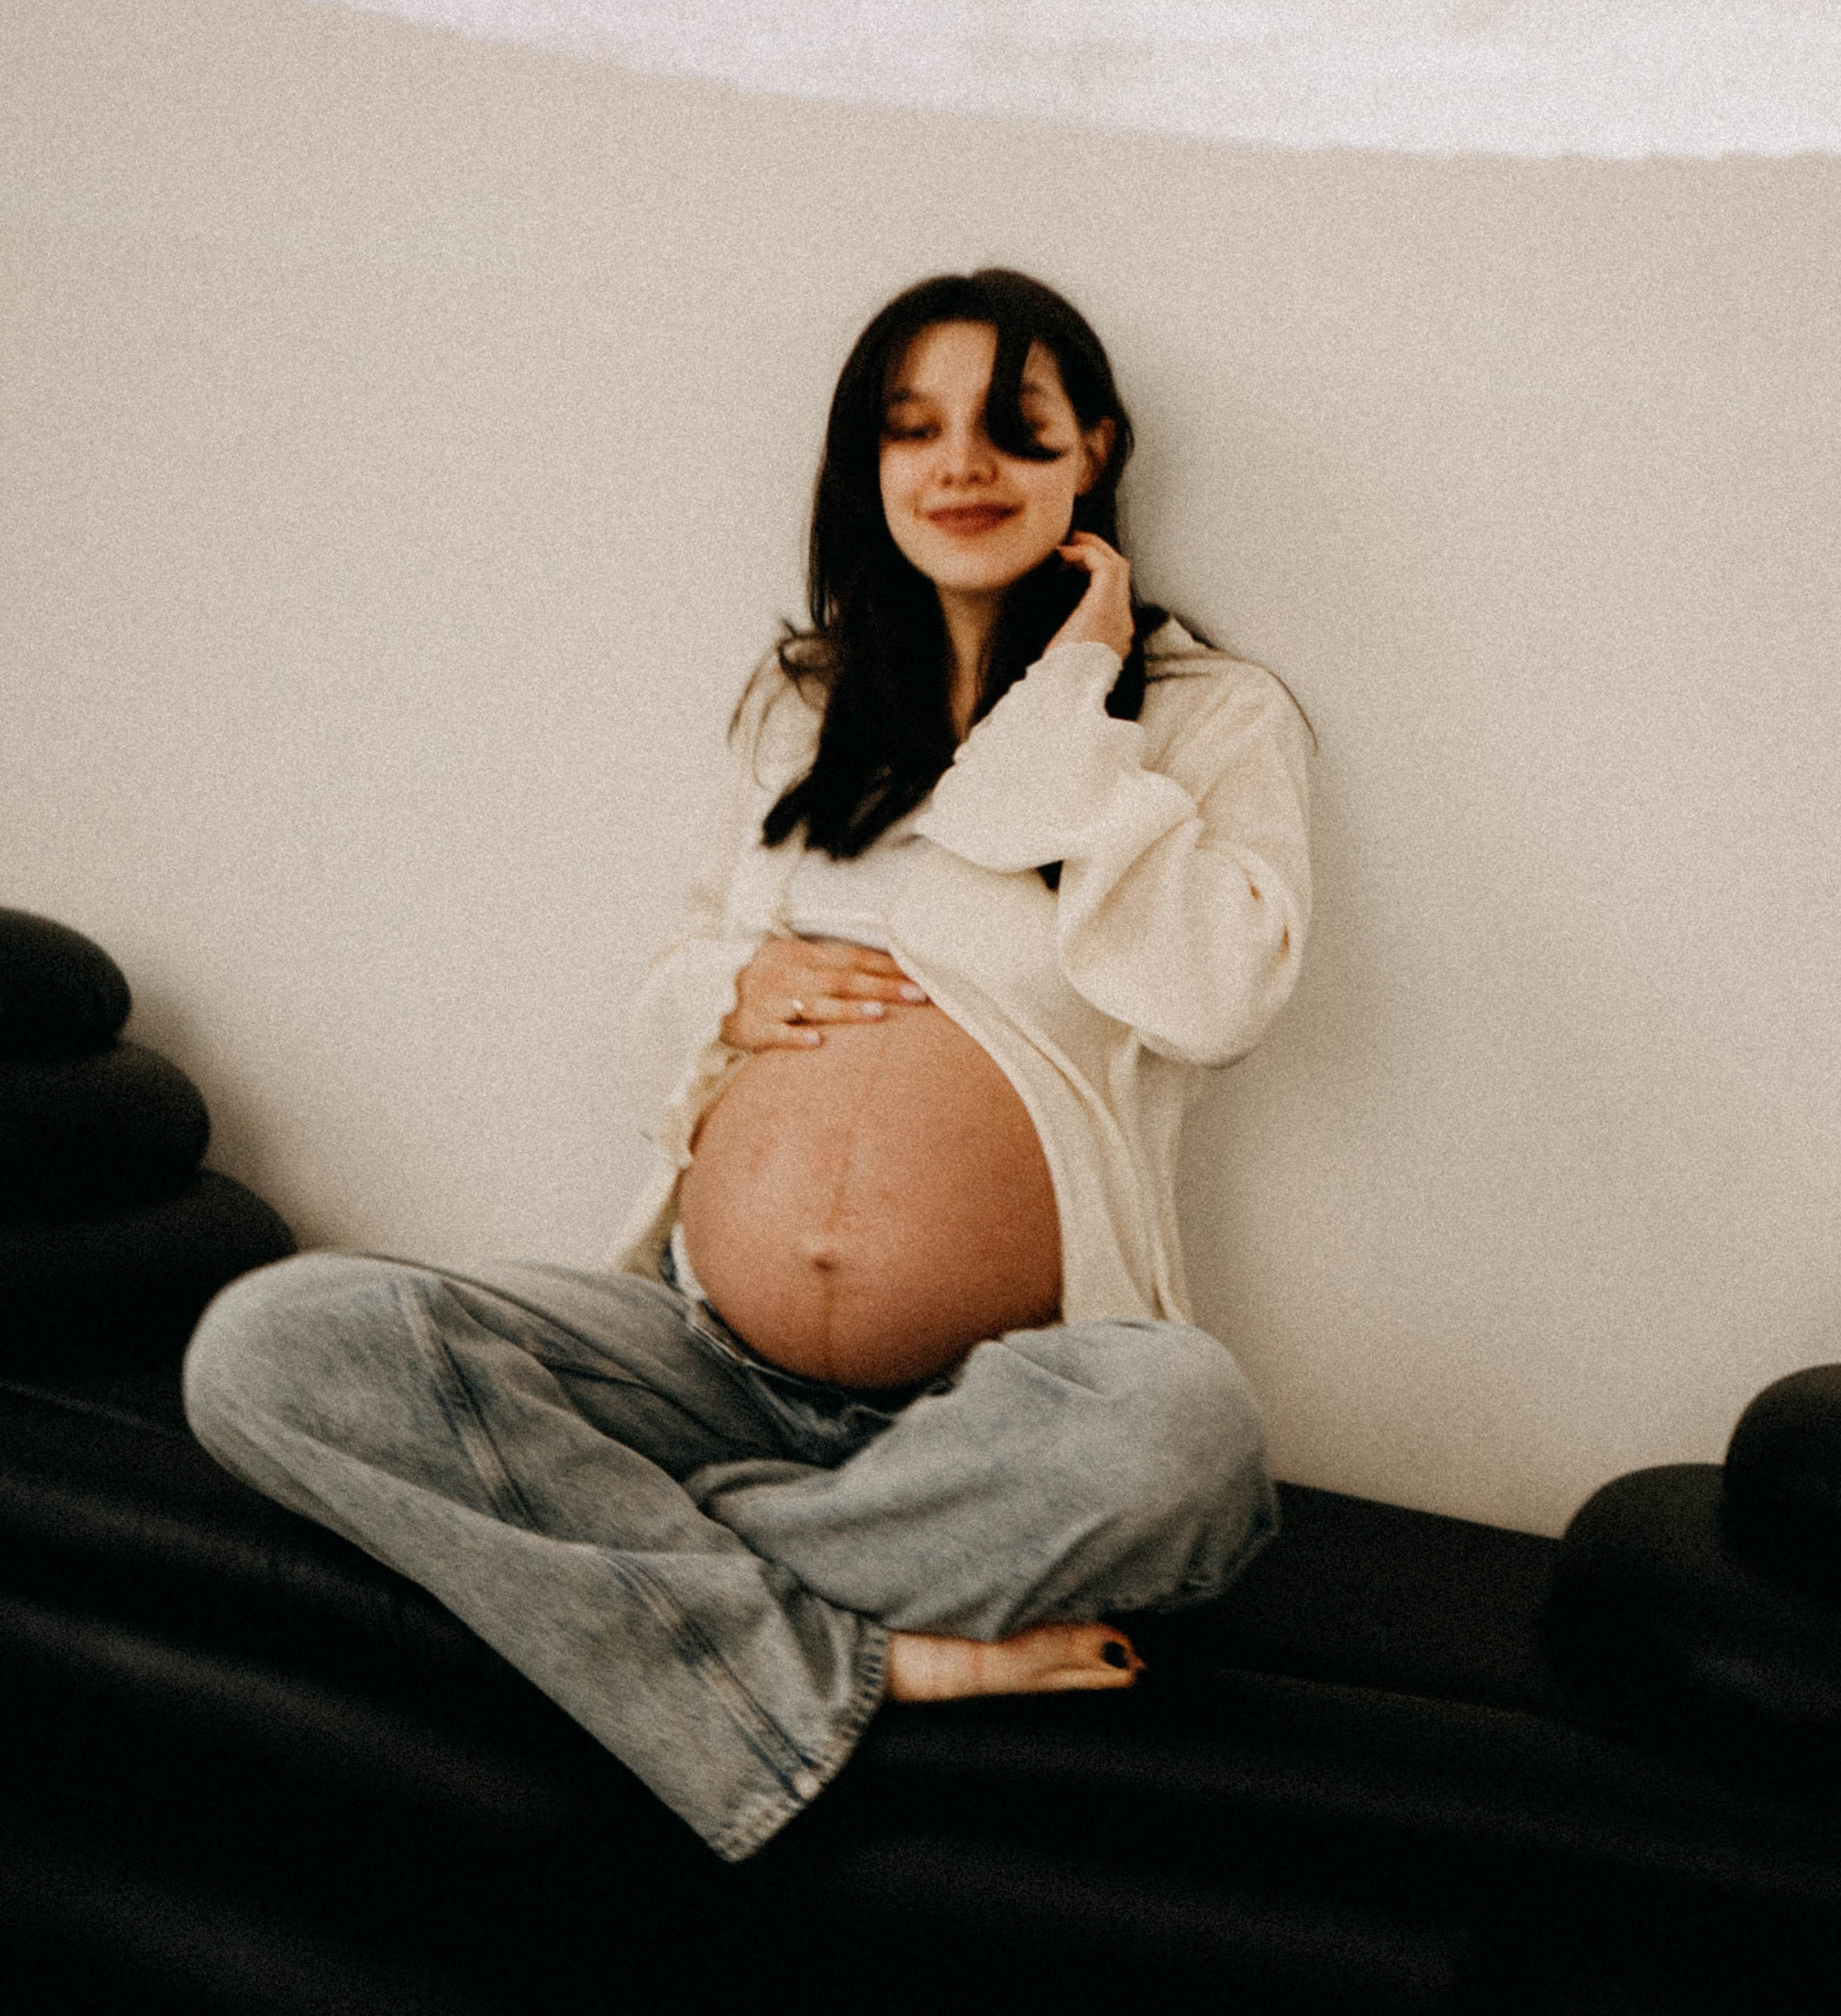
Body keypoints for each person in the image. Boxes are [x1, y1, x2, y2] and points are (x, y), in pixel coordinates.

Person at [182, 265, 1312, 1864]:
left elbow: (1219, 993)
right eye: (911, 429)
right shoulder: (799, 708)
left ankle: (640, 1591)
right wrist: (732, 985)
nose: (959, 466)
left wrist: (1073, 692)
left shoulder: (1204, 720)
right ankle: (859, 1652)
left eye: (1013, 429)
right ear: (867, 464)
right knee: (270, 1344)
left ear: (1095, 451)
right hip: (702, 1365)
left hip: (1005, 1403)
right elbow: (669, 988)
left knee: (1183, 1437)